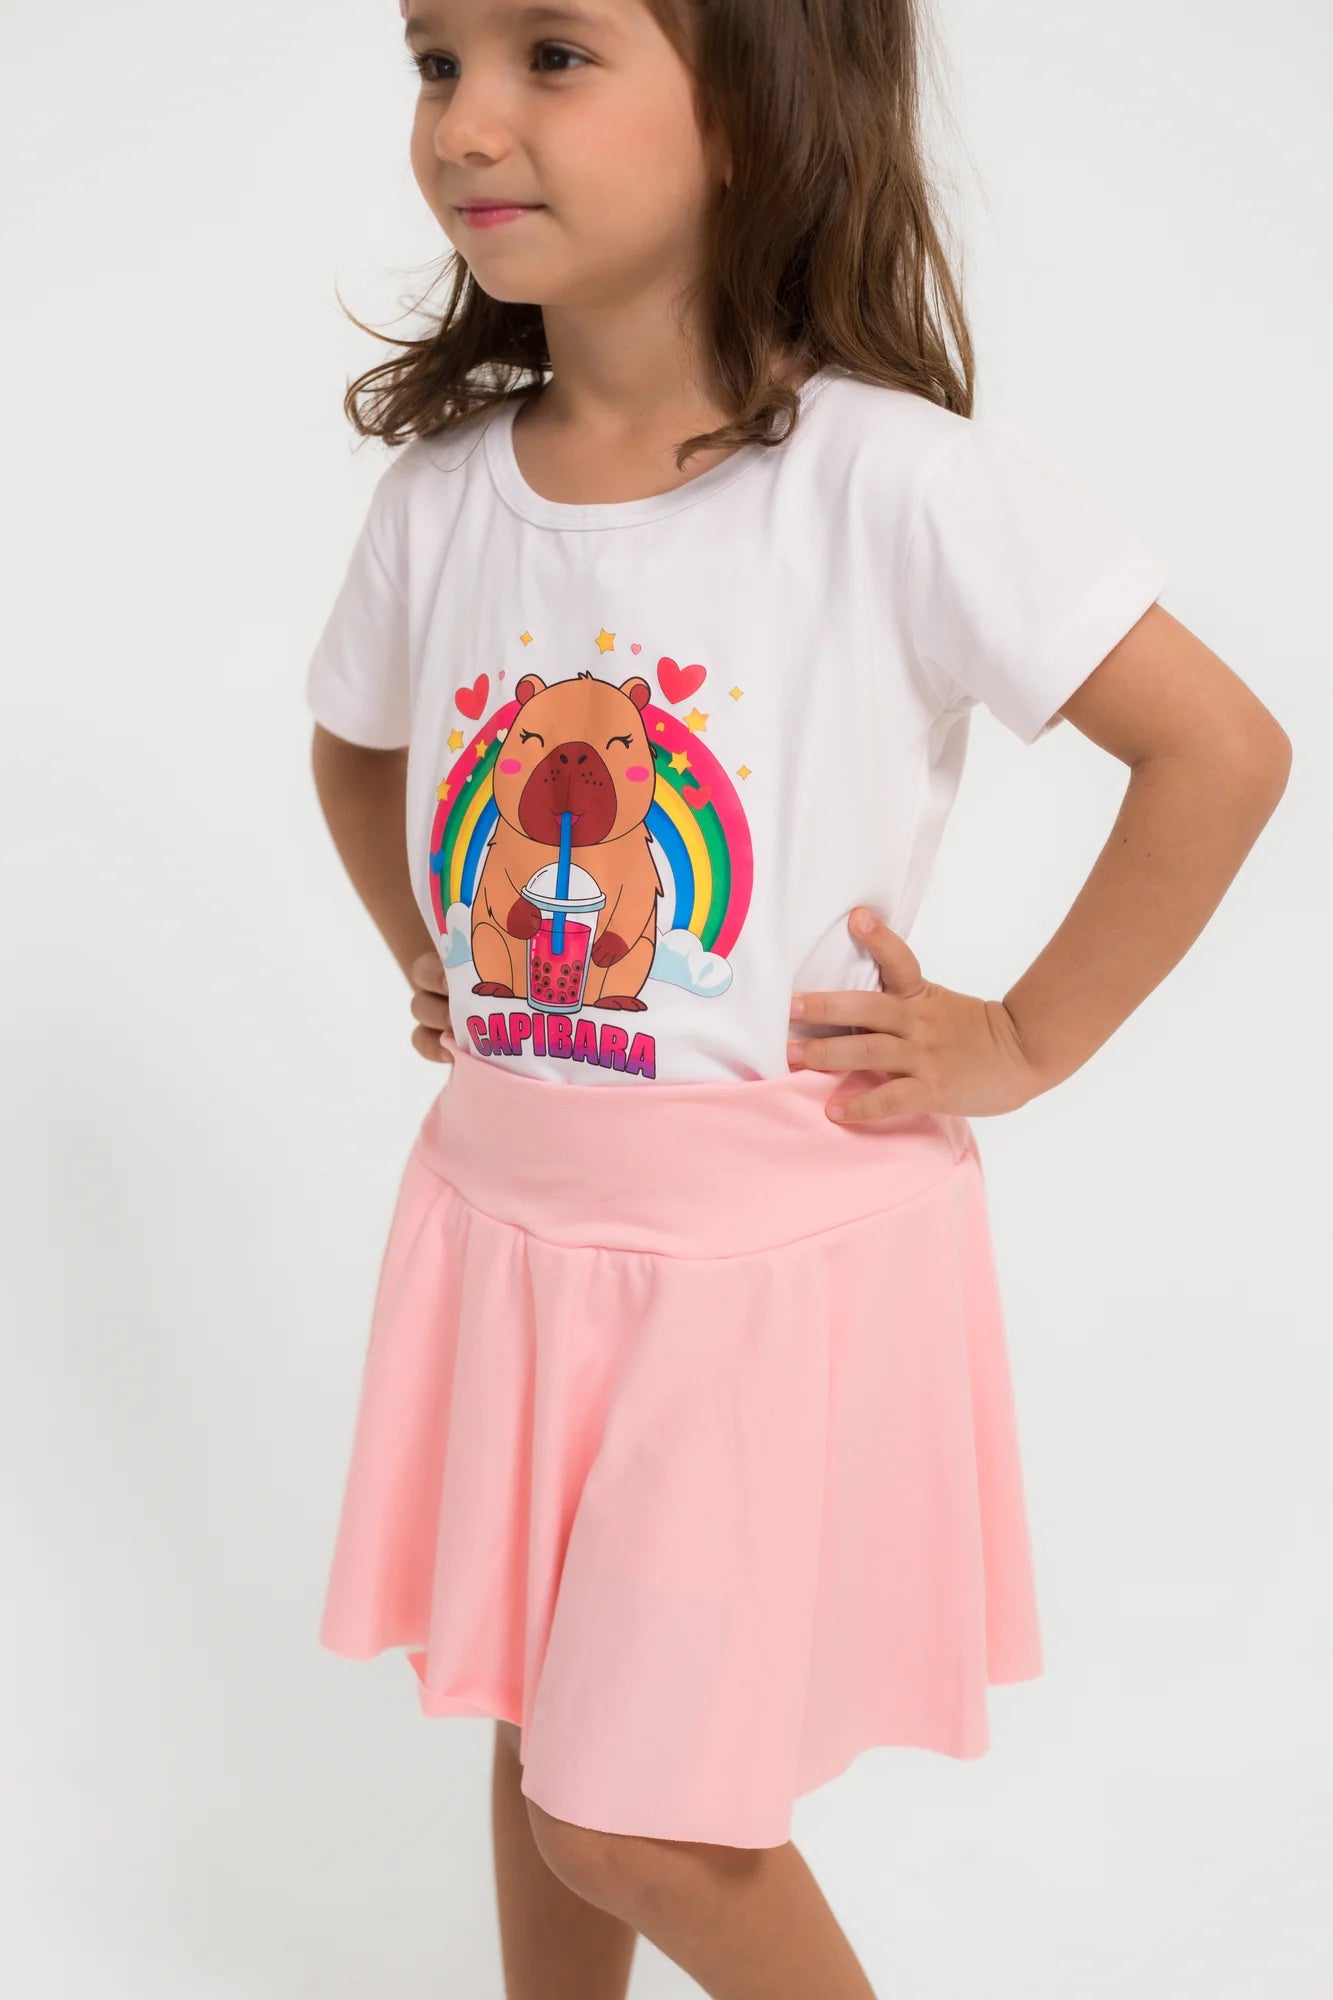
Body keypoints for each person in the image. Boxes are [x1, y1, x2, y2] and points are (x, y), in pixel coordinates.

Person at [303, 2, 1291, 1994]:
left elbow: (1219, 749)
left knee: (635, 1814)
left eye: (550, 53)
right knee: (543, 1713)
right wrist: (433, 947)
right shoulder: (444, 493)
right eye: (432, 59)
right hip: (510, 1221)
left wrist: (1022, 1038)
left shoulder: (888, 480)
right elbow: (356, 742)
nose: (466, 120)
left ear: (753, 109)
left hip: (752, 1263)